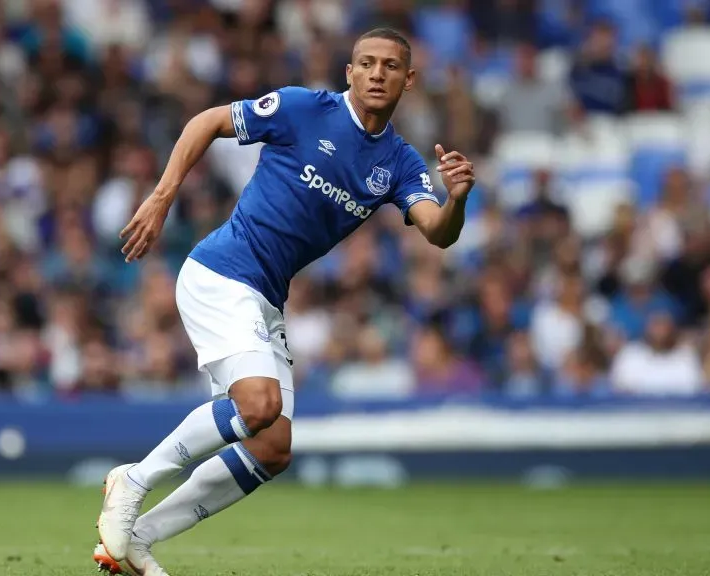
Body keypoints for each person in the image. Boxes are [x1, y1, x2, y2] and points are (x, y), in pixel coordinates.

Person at [93, 28, 476, 576]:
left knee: (272, 448)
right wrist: (162, 196)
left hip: (264, 297)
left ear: (409, 79)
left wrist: (456, 198)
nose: (377, 74)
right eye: (366, 63)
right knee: (258, 405)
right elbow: (208, 121)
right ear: (349, 72)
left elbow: (438, 232)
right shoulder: (303, 108)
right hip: (220, 273)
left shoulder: (399, 162)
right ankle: (132, 481)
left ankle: (138, 538)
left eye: (390, 66)